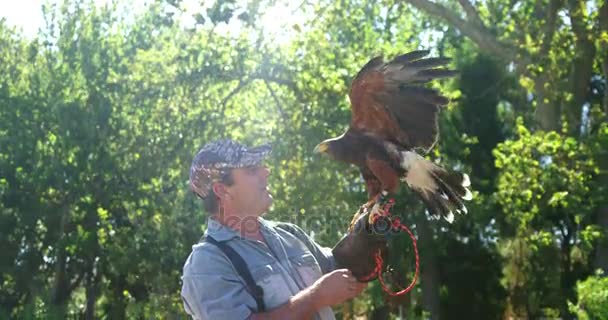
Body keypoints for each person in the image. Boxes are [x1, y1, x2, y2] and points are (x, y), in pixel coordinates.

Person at [181, 139, 368, 320]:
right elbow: (324, 292)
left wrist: (370, 232)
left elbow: (347, 279)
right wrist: (316, 297)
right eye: (252, 170)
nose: (266, 171)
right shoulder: (206, 264)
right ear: (222, 190)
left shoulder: (289, 233)